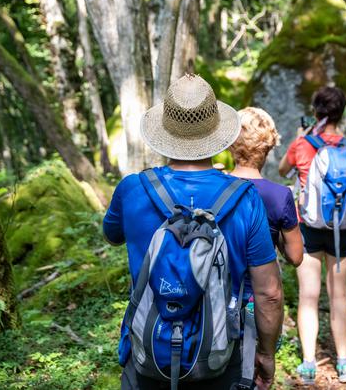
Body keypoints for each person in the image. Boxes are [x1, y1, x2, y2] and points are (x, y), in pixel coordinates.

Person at [103, 74, 283, 390]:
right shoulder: (245, 198)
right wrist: (266, 355)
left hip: (147, 353)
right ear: (218, 131)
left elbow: (112, 234)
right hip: (220, 358)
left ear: (165, 130)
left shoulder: (132, 190)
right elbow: (269, 292)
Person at [278, 87, 346, 385]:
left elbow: (282, 169)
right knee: (339, 294)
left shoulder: (302, 144)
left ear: (316, 112)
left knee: (308, 296)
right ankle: (344, 362)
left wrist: (302, 135)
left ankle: (309, 364)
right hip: (344, 229)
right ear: (342, 112)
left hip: (309, 227)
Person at [230, 107, 304, 267]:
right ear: (269, 146)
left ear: (231, 144)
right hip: (260, 286)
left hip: (217, 285)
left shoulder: (214, 185)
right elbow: (296, 257)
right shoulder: (280, 195)